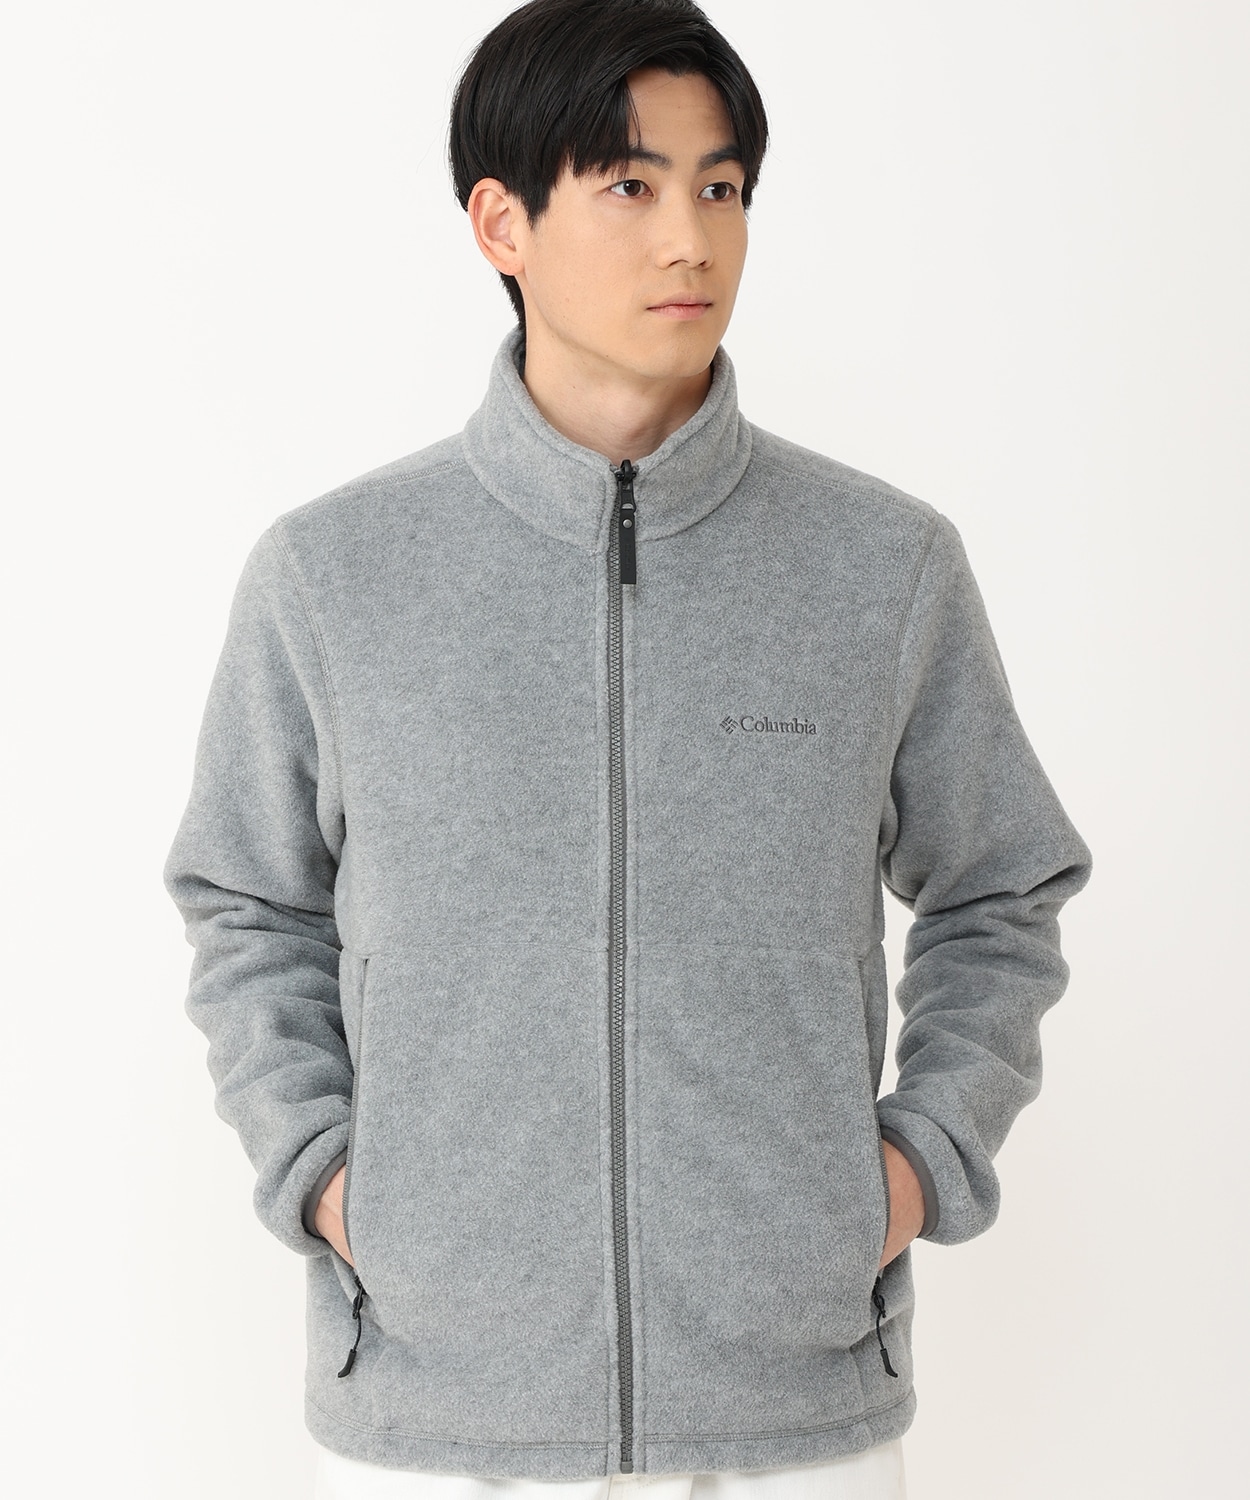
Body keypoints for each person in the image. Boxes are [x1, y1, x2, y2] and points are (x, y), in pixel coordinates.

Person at [162, 2, 1093, 1496]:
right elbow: (246, 904)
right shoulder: (335, 574)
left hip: (793, 1418)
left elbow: (1002, 888)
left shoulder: (883, 566)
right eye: (629, 186)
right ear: (501, 223)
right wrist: (330, 1179)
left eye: (721, 189)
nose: (689, 240)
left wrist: (914, 1167)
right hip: (439, 1413)